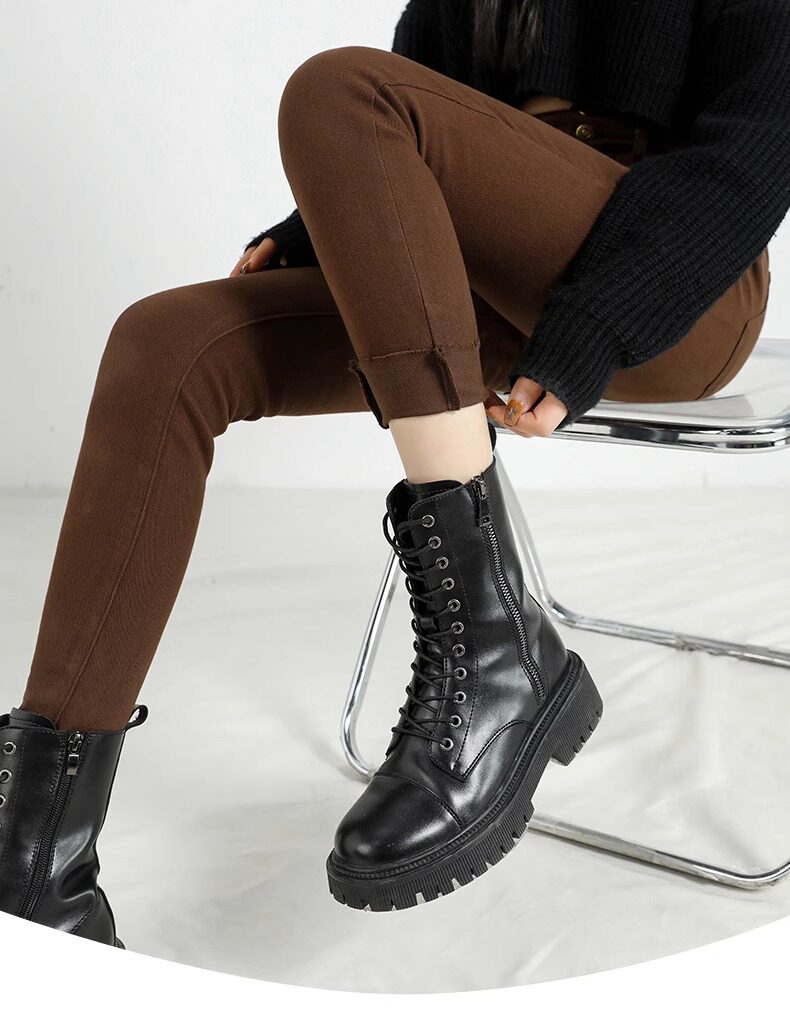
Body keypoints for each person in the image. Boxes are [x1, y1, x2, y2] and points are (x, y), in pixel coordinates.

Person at [1, 0, 788, 939]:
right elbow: (434, 121)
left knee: (338, 87)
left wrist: (600, 320)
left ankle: (496, 652)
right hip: (480, 269)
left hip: (679, 286)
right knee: (166, 343)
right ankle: (37, 864)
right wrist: (318, 224)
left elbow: (753, 155)